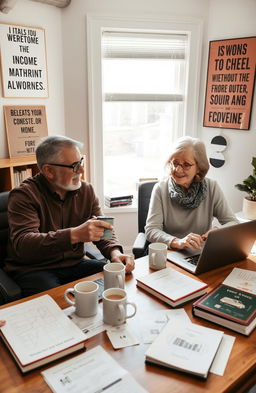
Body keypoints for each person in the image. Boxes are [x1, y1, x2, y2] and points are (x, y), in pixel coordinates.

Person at [5, 135, 134, 297]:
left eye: (81, 162)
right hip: (35, 269)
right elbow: (24, 244)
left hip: (75, 264)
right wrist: (74, 235)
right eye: (74, 166)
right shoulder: (23, 196)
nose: (81, 170)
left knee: (118, 281)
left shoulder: (87, 190)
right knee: (61, 304)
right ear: (49, 171)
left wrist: (115, 252)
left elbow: (104, 229)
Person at [145, 136, 239, 250]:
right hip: (170, 253)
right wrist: (177, 242)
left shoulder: (211, 187)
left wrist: (218, 231)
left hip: (200, 253)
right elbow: (151, 230)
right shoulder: (160, 189)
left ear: (199, 167)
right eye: (175, 163)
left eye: (186, 165)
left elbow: (233, 222)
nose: (178, 170)